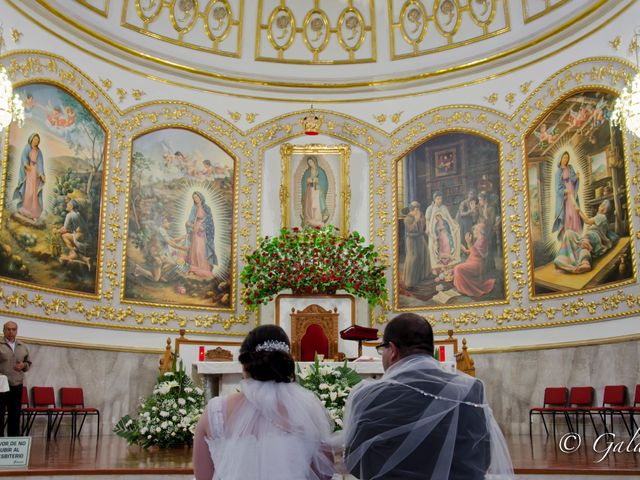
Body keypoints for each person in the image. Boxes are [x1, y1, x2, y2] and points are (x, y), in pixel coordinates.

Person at [343, 313, 513, 480]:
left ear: (392, 350)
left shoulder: (367, 395)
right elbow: (483, 458)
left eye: (382, 350)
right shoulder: (471, 389)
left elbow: (356, 463)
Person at [192, 325, 335, 480]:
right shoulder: (307, 409)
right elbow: (324, 472)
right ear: (285, 362)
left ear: (245, 364)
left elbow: (202, 476)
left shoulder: (215, 411)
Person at [554, 199, 619, 274]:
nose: (599, 206)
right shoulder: (600, 217)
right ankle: (565, 258)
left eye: (602, 206)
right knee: (568, 233)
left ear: (605, 210)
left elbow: (587, 221)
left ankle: (585, 262)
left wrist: (579, 210)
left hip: (593, 236)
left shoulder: (602, 217)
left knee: (585, 242)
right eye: (601, 205)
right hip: (591, 236)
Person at [0, 321, 32, 437]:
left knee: (15, 415)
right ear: (4, 331)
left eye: (13, 329)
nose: (11, 332)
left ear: (16, 331)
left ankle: (13, 441)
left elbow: (28, 363)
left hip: (16, 385)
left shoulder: (22, 346)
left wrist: (23, 365)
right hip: (1, 387)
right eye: (8, 329)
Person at [453, 223, 496, 297]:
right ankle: (464, 287)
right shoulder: (479, 239)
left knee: (458, 268)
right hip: (472, 261)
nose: (474, 232)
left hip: (477, 264)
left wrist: (468, 242)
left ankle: (464, 289)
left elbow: (475, 253)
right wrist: (462, 247)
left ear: (479, 231)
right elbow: (470, 251)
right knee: (456, 267)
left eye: (475, 230)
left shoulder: (483, 240)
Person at [13, 133, 45, 221]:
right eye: (35, 139)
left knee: (34, 192)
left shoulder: (39, 151)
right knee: (28, 191)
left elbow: (40, 163)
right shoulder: (27, 147)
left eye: (37, 140)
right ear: (31, 139)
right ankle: (25, 209)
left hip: (36, 173)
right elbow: (23, 157)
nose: (36, 141)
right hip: (29, 171)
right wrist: (26, 164)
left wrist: (41, 174)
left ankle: (34, 213)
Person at [425, 191, 460, 269]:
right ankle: (435, 267)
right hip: (434, 231)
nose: (439, 200)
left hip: (444, 232)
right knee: (433, 247)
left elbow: (448, 218)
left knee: (446, 246)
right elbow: (427, 220)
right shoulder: (430, 208)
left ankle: (446, 265)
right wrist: (427, 228)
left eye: (441, 199)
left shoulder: (444, 207)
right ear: (434, 199)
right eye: (438, 199)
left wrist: (454, 224)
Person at [186, 191, 216, 278]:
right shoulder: (194, 208)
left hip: (203, 231)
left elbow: (210, 221)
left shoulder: (206, 208)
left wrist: (204, 226)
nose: (196, 199)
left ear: (201, 197)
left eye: (197, 197)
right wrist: (189, 224)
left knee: (201, 249)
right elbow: (190, 220)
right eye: (194, 198)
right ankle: (194, 268)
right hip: (196, 229)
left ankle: (204, 268)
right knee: (195, 249)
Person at [552, 151, 582, 238]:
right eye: (564, 157)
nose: (565, 159)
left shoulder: (570, 167)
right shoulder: (558, 172)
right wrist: (564, 191)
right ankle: (568, 236)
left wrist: (576, 176)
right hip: (566, 195)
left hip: (572, 191)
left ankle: (576, 233)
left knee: (574, 212)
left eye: (567, 158)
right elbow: (557, 188)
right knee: (568, 214)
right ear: (560, 158)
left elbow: (572, 179)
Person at [402, 201, 430, 289]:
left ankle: (421, 277)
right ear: (413, 209)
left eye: (418, 208)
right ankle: (409, 282)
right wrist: (416, 220)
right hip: (412, 240)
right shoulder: (407, 218)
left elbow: (423, 225)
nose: (418, 210)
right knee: (413, 258)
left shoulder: (420, 215)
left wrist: (420, 220)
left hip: (420, 238)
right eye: (416, 209)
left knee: (424, 255)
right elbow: (410, 229)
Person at [58, 200, 92, 270]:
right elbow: (73, 228)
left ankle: (77, 255)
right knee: (69, 235)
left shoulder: (69, 215)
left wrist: (57, 230)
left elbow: (65, 229)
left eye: (68, 204)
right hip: (87, 239)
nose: (67, 205)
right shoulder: (78, 214)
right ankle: (80, 256)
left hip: (80, 241)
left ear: (72, 206)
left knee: (64, 236)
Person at [301, 156, 329, 227]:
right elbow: (304, 182)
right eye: (309, 163)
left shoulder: (320, 171)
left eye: (311, 162)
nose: (310, 164)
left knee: (316, 205)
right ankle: (309, 218)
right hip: (309, 191)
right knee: (309, 205)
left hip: (317, 191)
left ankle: (317, 219)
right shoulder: (307, 172)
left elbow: (324, 183)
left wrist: (317, 183)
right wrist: (309, 181)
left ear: (314, 162)